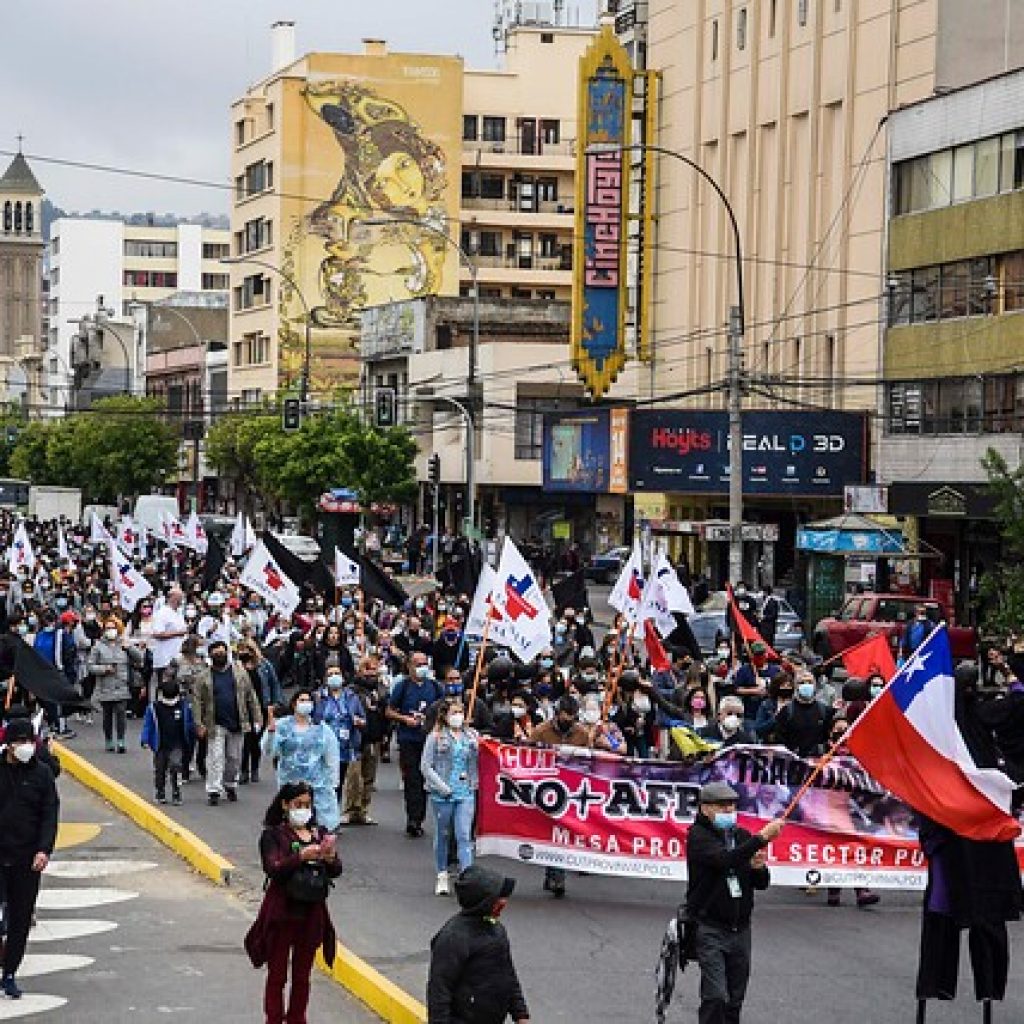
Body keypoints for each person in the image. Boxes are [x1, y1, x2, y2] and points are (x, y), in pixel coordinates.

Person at [685, 781, 783, 1024]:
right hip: (710, 928)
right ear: (705, 808)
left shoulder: (742, 836)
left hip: (740, 930)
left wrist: (758, 868)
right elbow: (724, 860)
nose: (729, 810)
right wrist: (762, 838)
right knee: (716, 996)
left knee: (734, 999)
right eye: (722, 806)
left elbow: (761, 883)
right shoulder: (698, 836)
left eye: (731, 805)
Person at [245, 782, 342, 1024]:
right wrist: (300, 857)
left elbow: (336, 870)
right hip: (282, 913)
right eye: (298, 805)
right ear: (285, 805)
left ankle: (297, 1018)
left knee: (302, 976)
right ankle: (274, 1018)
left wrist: (329, 857)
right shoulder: (273, 836)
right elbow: (273, 869)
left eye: (307, 805)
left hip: (311, 913)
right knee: (277, 975)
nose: (303, 810)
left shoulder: (318, 833)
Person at [0, 716, 60, 1000]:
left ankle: (10, 973)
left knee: (21, 919)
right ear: (9, 745)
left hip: (27, 858)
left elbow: (50, 814)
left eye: (29, 741)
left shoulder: (42, 774)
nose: (26, 746)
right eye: (21, 742)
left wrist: (44, 850)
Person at [427, 866, 530, 1024]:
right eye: (498, 899)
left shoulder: (497, 930)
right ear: (483, 903)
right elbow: (439, 989)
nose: (504, 902)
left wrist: (520, 1014)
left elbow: (508, 974)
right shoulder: (454, 937)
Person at [195, 638, 263, 807]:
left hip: (238, 722)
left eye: (222, 652)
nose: (220, 655)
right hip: (215, 722)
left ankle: (230, 784)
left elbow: (251, 696)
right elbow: (197, 701)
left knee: (234, 758)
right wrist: (199, 723)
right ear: (210, 656)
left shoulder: (240, 673)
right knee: (215, 757)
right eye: (216, 653)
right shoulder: (203, 677)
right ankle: (214, 790)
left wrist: (257, 717)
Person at [422, 698, 479, 896]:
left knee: (464, 835)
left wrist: (478, 747)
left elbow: (482, 759)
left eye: (460, 712)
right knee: (443, 834)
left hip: (465, 792)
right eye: (454, 712)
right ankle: (442, 874)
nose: (458, 716)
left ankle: (467, 879)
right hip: (443, 794)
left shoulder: (471, 736)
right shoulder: (435, 737)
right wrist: (441, 786)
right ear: (445, 716)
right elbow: (426, 766)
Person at [263, 691, 341, 832]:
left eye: (308, 700)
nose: (306, 703)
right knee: (291, 819)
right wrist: (271, 733)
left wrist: (333, 780)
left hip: (317, 784)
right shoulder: (282, 726)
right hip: (290, 782)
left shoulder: (321, 728)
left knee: (319, 821)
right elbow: (269, 751)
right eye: (302, 700)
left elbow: (332, 755)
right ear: (294, 704)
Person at [387, 651, 443, 838]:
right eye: (418, 664)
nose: (421, 668)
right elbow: (389, 711)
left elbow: (444, 709)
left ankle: (424, 815)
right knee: (412, 779)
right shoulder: (402, 687)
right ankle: (413, 819)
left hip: (429, 740)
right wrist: (404, 719)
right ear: (409, 666)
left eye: (424, 664)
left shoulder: (435, 687)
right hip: (409, 739)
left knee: (428, 779)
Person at [88, 616, 142, 753]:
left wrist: (129, 647)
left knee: (121, 713)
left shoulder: (124, 644)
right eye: (108, 628)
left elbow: (139, 658)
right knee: (107, 715)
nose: (110, 631)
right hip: (105, 686)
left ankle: (121, 740)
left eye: (113, 628)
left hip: (122, 685)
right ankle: (108, 739)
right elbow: (90, 666)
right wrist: (104, 669)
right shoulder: (98, 646)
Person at [140, 677, 196, 806]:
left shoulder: (183, 707)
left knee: (176, 767)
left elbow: (189, 722)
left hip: (177, 744)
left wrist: (193, 732)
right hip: (160, 745)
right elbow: (148, 725)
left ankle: (176, 792)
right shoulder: (154, 708)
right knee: (160, 770)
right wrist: (145, 739)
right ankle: (160, 791)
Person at [150, 585, 188, 688]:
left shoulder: (179, 613)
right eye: (180, 598)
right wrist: (177, 633)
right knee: (166, 689)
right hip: (165, 660)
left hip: (177, 658)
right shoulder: (162, 613)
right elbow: (157, 634)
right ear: (172, 598)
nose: (181, 601)